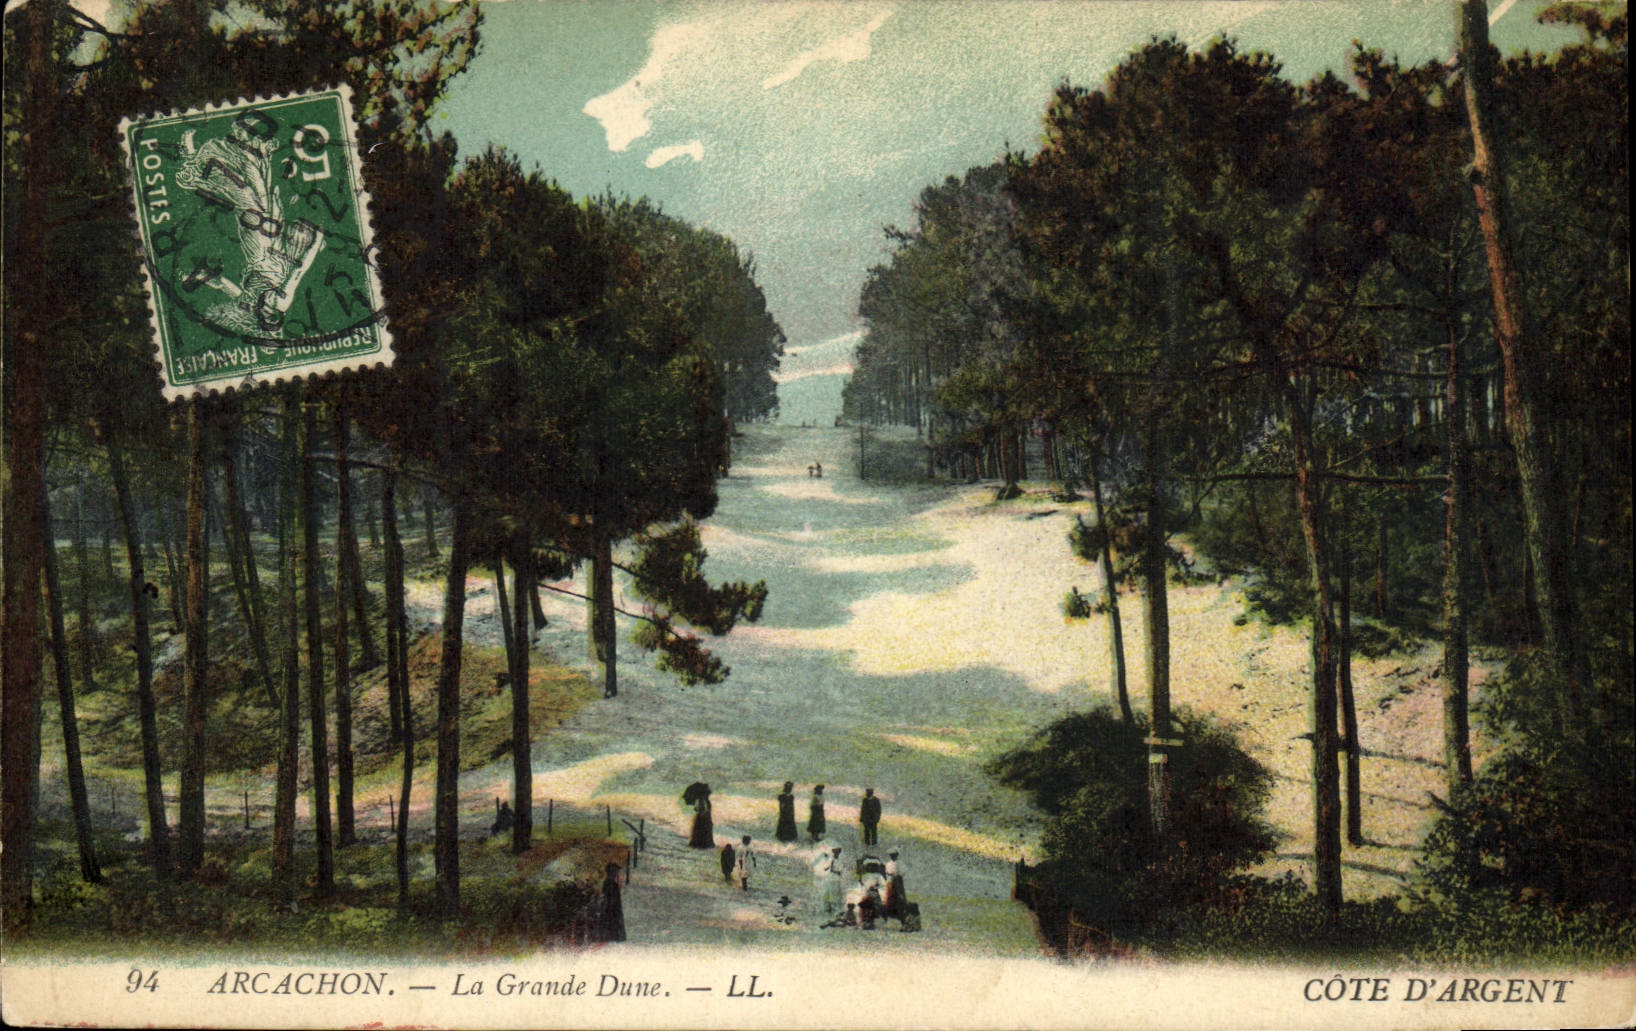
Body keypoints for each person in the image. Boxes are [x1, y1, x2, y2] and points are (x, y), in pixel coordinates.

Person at [598, 862, 626, 942]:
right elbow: (611, 898)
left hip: (610, 907)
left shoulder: (608, 883)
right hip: (611, 908)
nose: (616, 874)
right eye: (615, 872)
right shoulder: (611, 884)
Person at [685, 783, 714, 849]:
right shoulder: (706, 801)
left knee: (699, 831)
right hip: (705, 818)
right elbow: (705, 809)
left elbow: (697, 809)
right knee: (704, 831)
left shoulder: (700, 800)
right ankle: (704, 844)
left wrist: (697, 809)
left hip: (701, 817)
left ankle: (699, 844)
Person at [884, 847, 907, 921]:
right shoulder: (888, 864)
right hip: (890, 881)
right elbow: (887, 872)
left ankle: (901, 911)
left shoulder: (900, 863)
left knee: (900, 896)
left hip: (898, 881)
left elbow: (903, 871)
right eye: (891, 855)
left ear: (897, 855)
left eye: (894, 855)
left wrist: (898, 875)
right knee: (890, 896)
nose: (893, 856)